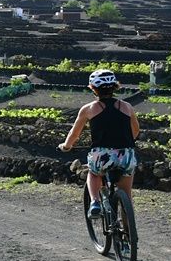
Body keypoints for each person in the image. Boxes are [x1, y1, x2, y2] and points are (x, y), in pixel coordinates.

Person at [58, 69, 140, 217]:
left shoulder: (89, 109)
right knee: (127, 196)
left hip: (102, 156)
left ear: (93, 88)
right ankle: (129, 237)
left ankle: (95, 202)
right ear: (115, 86)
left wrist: (66, 146)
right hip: (126, 155)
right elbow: (135, 130)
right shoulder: (127, 107)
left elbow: (74, 134)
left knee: (94, 173)